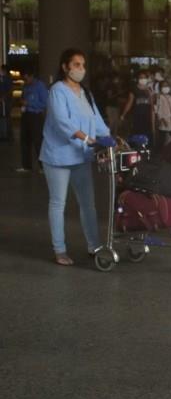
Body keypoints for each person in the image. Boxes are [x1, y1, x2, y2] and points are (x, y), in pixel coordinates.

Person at [39, 48, 111, 266]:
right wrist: (87, 138)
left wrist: (110, 138)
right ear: (65, 67)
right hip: (58, 157)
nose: (81, 69)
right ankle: (59, 250)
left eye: (83, 65)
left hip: (81, 157)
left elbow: (97, 120)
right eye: (76, 64)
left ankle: (94, 245)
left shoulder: (85, 93)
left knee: (88, 204)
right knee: (58, 203)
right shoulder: (57, 91)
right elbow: (62, 122)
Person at [16, 68, 48, 172]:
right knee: (24, 140)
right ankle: (26, 166)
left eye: (27, 78)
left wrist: (29, 103)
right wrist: (22, 102)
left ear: (32, 76)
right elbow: (23, 98)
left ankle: (43, 166)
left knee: (38, 141)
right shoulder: (26, 86)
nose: (26, 81)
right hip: (26, 114)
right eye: (24, 79)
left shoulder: (40, 86)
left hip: (36, 116)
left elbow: (44, 103)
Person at [120, 70, 154, 146]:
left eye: (144, 78)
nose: (143, 79)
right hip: (137, 116)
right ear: (138, 79)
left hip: (147, 116)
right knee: (137, 133)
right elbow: (130, 102)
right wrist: (123, 114)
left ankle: (146, 149)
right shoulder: (134, 89)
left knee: (147, 134)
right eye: (141, 78)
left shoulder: (149, 90)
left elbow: (152, 105)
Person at [155, 80, 171, 151]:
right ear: (160, 88)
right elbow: (158, 110)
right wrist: (162, 119)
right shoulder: (159, 97)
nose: (166, 87)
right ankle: (159, 154)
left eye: (167, 85)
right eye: (164, 86)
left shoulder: (170, 97)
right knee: (162, 141)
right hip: (164, 121)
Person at [0, 64, 14, 142]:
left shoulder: (7, 78)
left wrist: (4, 97)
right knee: (5, 117)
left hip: (7, 101)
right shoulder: (3, 78)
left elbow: (9, 90)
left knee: (7, 117)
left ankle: (8, 135)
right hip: (4, 100)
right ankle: (5, 134)